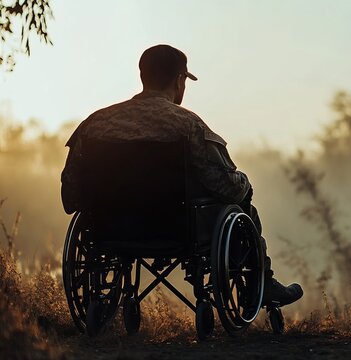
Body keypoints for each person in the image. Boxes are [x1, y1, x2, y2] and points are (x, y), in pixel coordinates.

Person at [61, 44, 303, 307]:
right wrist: (244, 182)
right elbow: (224, 185)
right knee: (241, 200)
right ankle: (260, 284)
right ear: (179, 81)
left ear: (143, 75)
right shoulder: (188, 125)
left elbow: (71, 195)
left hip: (109, 230)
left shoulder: (95, 124)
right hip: (176, 229)